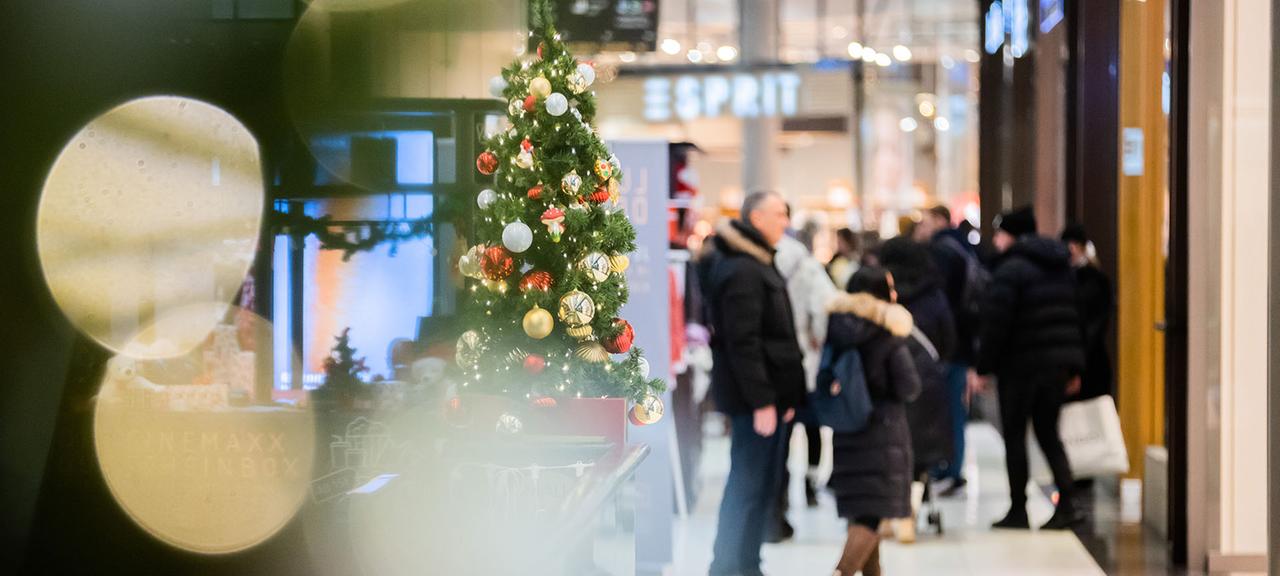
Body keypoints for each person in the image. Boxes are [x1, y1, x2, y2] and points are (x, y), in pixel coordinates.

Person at [700, 191, 807, 576]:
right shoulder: (743, 269)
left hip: (772, 398)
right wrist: (763, 400)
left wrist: (786, 396)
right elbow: (742, 342)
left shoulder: (757, 261)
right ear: (757, 217)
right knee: (746, 486)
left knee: (762, 486)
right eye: (781, 213)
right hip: (755, 402)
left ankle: (747, 563)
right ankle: (726, 565)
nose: (786, 221)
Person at [975, 206, 1086, 530]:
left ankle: (1018, 509)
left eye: (999, 233)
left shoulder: (1010, 270)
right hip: (1054, 368)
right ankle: (1067, 504)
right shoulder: (1059, 266)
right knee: (1049, 433)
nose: (996, 240)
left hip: (1020, 367)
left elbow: (997, 324)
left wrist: (984, 367)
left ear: (1011, 235)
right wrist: (1074, 367)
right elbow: (1073, 319)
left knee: (1015, 436)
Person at [823, 267, 922, 576]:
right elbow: (909, 386)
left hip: (849, 431)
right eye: (889, 289)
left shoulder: (838, 330)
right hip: (884, 432)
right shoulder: (886, 334)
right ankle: (842, 571)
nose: (895, 295)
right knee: (872, 515)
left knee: (865, 512)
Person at [877, 236, 956, 542]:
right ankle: (908, 512)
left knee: (888, 447)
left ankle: (886, 514)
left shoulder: (884, 293)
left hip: (888, 381)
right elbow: (949, 339)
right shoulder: (934, 293)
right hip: (927, 381)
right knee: (920, 451)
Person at [770, 214, 839, 541]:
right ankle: (811, 485)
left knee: (779, 438)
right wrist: (818, 337)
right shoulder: (808, 267)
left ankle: (777, 503)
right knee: (812, 426)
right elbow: (826, 310)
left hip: (772, 362)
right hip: (804, 362)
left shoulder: (764, 260)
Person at [913, 205, 980, 494]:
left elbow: (941, 300)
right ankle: (952, 468)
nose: (922, 227)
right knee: (955, 409)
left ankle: (947, 468)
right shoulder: (963, 248)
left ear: (939, 220)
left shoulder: (942, 252)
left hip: (946, 346)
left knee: (946, 409)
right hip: (962, 343)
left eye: (926, 220)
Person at [1061, 224, 1114, 400]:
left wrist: (1075, 368)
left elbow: (1092, 327)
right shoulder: (1095, 279)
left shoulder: (1090, 281)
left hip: (1086, 362)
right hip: (1087, 360)